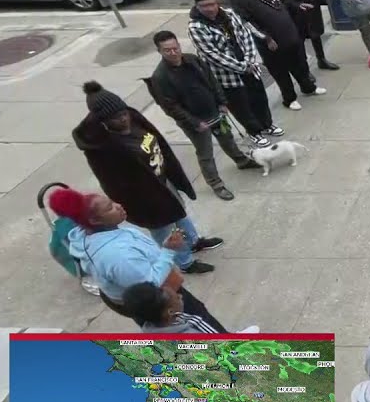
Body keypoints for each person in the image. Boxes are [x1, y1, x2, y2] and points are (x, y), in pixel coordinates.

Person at [73, 81, 221, 275]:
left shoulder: (134, 120)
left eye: (124, 114)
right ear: (103, 121)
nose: (124, 120)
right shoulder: (103, 148)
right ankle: (184, 263)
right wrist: (138, 202)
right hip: (146, 198)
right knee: (165, 230)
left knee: (181, 214)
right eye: (116, 118)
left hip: (163, 181)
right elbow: (114, 183)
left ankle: (193, 241)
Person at [47, 187, 225, 331]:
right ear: (94, 221)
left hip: (146, 293)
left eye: (112, 202)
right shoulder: (117, 256)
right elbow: (151, 283)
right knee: (198, 320)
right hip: (158, 299)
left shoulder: (94, 231)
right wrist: (168, 252)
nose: (118, 206)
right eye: (110, 207)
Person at [146, 30, 260, 201]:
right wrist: (194, 122)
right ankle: (216, 183)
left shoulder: (193, 59)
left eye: (175, 48)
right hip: (194, 122)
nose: (173, 52)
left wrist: (222, 102)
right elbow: (171, 107)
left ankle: (241, 161)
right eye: (167, 50)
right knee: (205, 152)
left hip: (214, 111)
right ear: (159, 51)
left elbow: (212, 80)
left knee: (227, 138)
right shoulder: (160, 77)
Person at [187, 0, 282, 148]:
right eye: (204, 6)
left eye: (212, 4)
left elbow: (245, 36)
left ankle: (267, 124)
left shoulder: (229, 14)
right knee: (240, 105)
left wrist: (250, 60)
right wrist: (242, 67)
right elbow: (212, 55)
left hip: (249, 67)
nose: (209, 9)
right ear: (197, 7)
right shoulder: (196, 27)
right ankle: (254, 132)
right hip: (227, 75)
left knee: (259, 98)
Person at [231, 0, 327, 111]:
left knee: (299, 65)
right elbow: (247, 23)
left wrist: (297, 6)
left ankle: (308, 88)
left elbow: (282, 0)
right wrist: (266, 38)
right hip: (272, 44)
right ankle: (289, 99)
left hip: (290, 35)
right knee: (281, 72)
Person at [121, 281, 254, 334]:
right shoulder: (195, 326)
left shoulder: (148, 330)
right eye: (177, 297)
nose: (180, 296)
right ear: (170, 311)